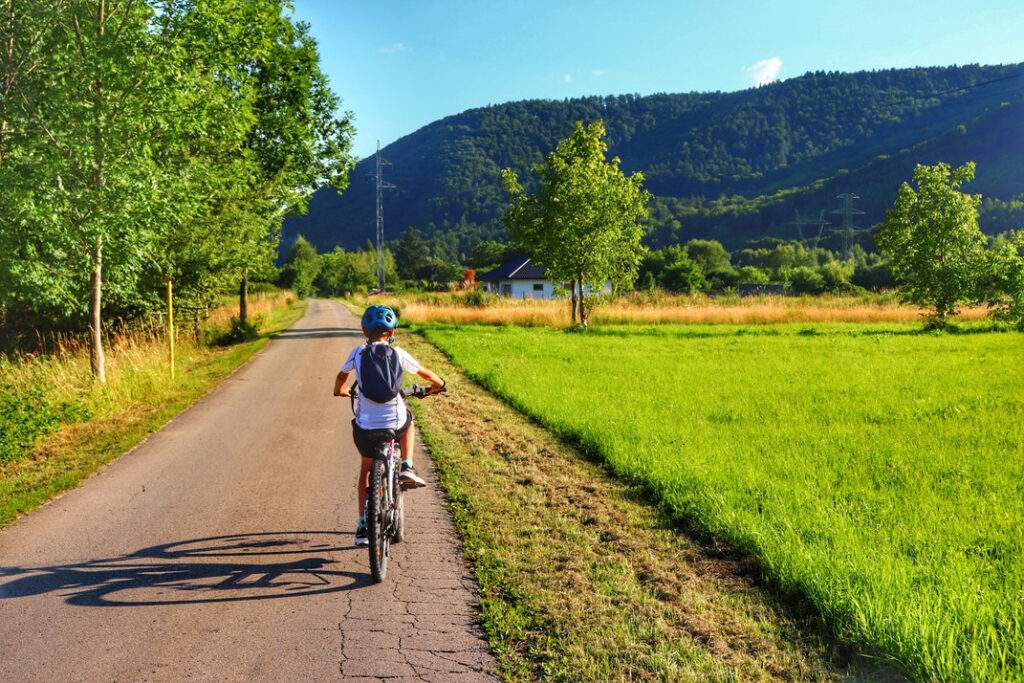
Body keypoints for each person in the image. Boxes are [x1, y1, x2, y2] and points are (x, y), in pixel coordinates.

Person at [334, 305, 445, 546]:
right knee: (409, 420)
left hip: (366, 427)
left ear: (365, 331)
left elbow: (342, 378)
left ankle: (363, 525)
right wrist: (439, 384)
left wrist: (341, 390)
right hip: (394, 421)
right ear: (392, 331)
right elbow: (427, 375)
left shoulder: (357, 353)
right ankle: (406, 465)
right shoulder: (399, 353)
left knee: (366, 469)